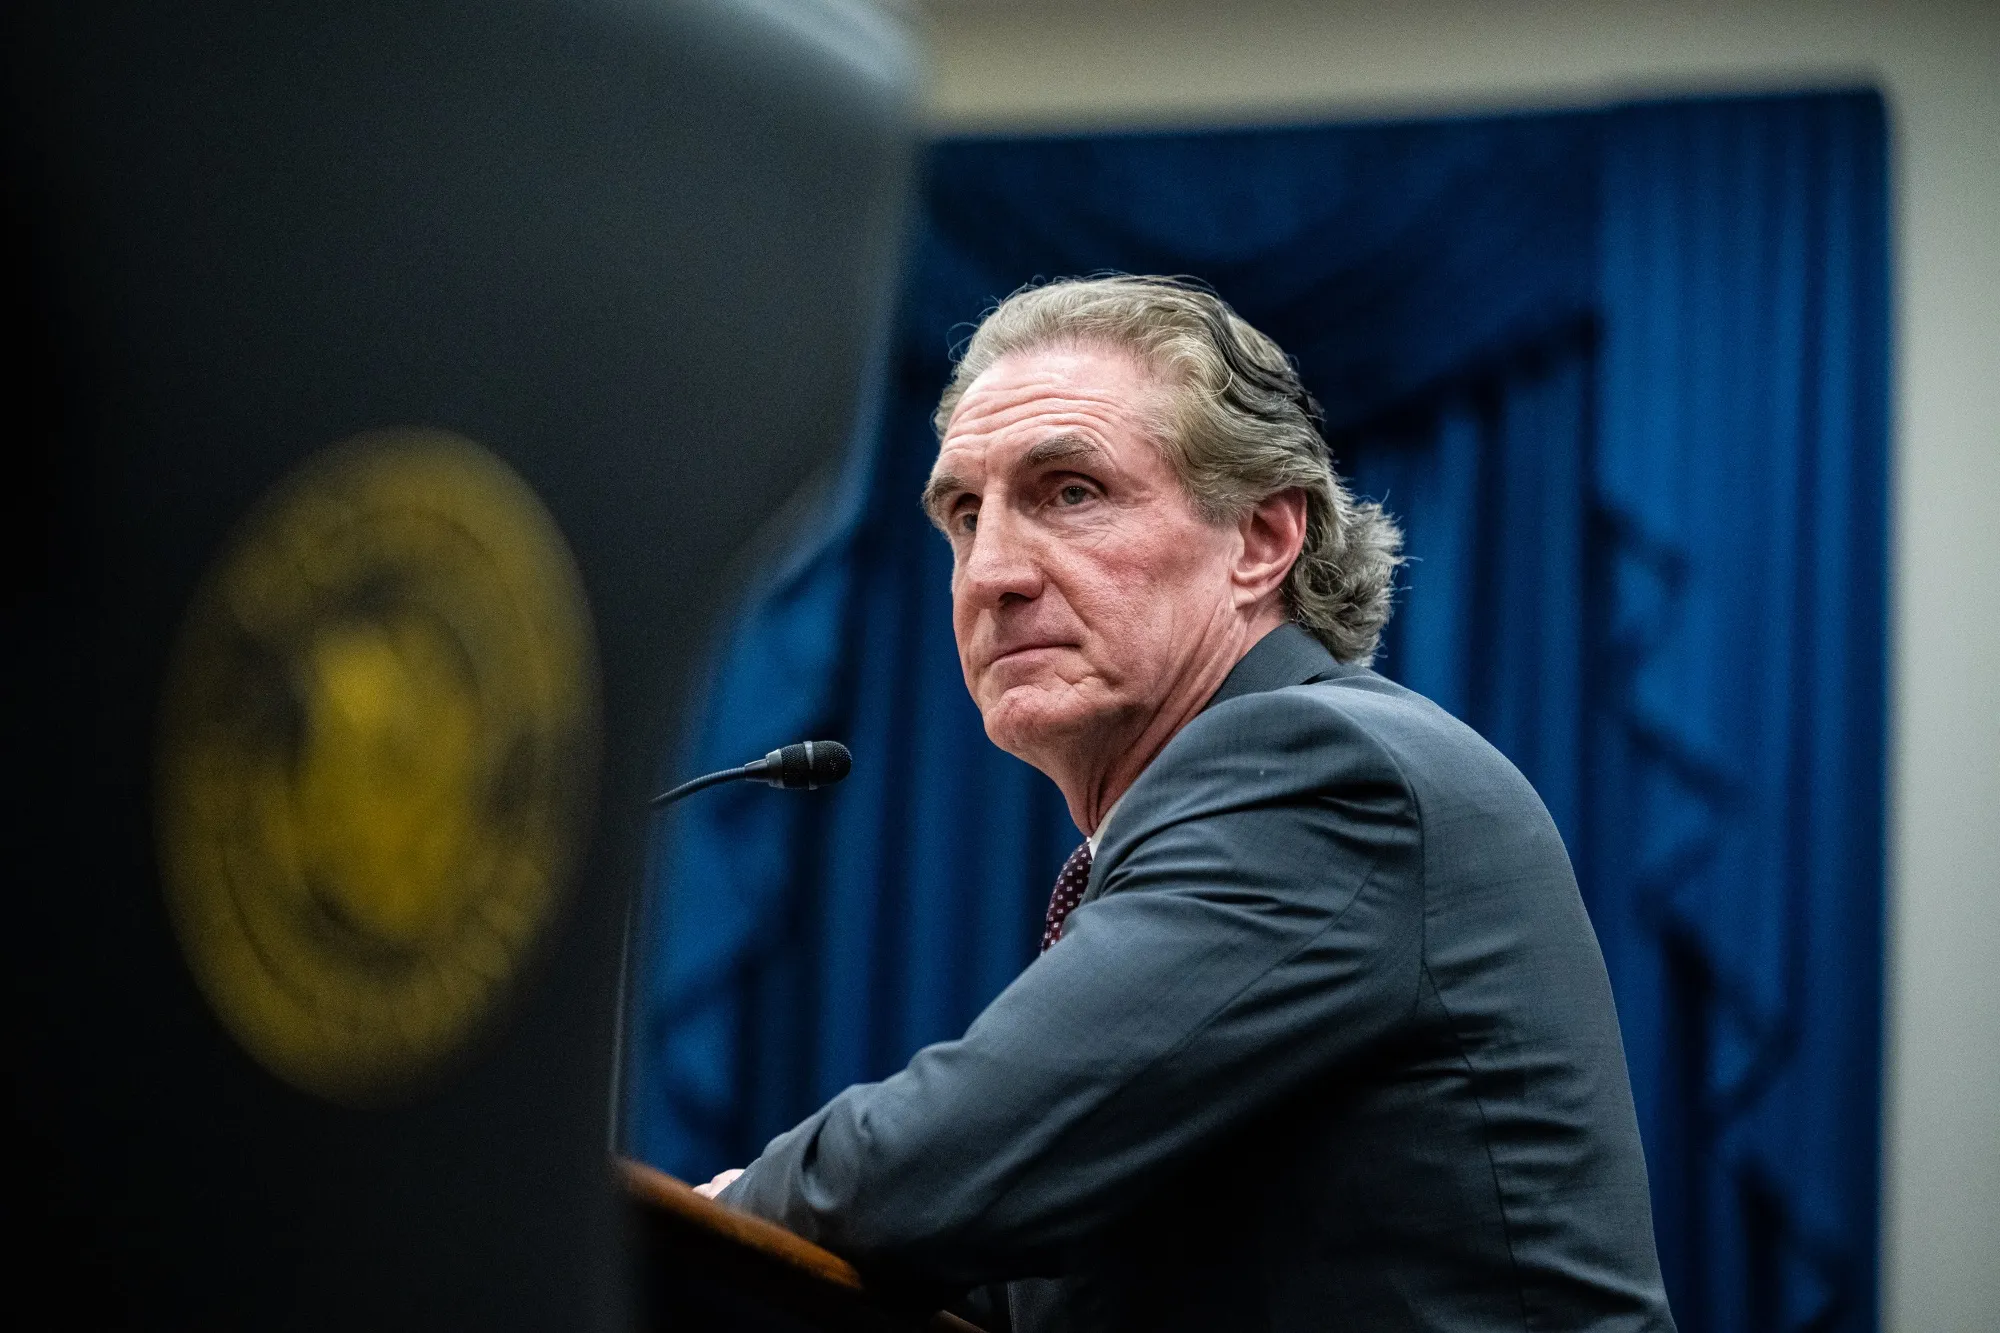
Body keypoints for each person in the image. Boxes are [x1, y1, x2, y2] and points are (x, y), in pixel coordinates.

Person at [696, 275, 1675, 1332]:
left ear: (1260, 540)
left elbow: (938, 1170)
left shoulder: (1318, 771)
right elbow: (1031, 1262)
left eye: (1068, 492)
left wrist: (706, 1220)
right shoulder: (1227, 807)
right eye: (964, 515)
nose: (991, 574)